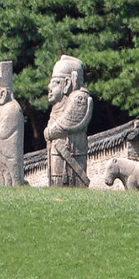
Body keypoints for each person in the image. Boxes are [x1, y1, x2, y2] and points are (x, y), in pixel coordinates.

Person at [44, 55, 92, 187]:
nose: (49, 87)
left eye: (55, 82)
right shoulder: (59, 103)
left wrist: (48, 133)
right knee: (57, 180)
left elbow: (65, 123)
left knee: (71, 180)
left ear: (67, 83)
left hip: (72, 149)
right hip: (58, 150)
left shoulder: (79, 97)